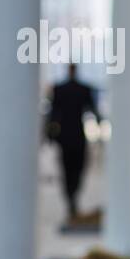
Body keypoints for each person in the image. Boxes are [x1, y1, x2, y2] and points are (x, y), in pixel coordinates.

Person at [45, 63, 99, 220]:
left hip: (67, 136)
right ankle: (72, 197)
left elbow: (53, 115)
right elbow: (93, 111)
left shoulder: (61, 89)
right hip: (76, 135)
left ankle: (71, 197)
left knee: (69, 170)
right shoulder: (80, 89)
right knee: (75, 169)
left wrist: (50, 135)